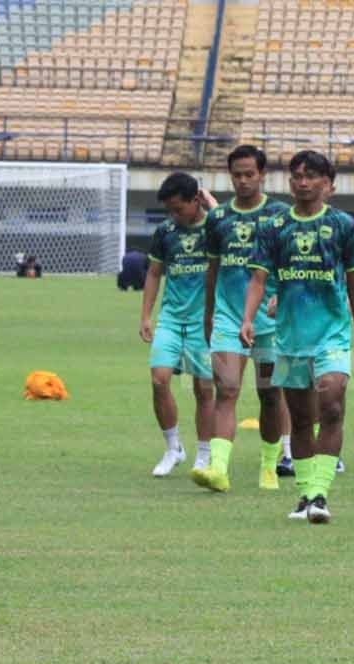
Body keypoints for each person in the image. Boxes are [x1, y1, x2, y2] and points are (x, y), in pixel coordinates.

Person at [241, 150, 354, 522]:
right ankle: (305, 496)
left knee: (331, 400)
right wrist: (248, 318)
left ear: (329, 185)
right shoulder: (276, 228)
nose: (303, 182)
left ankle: (321, 495)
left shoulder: (344, 226)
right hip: (291, 338)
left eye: (312, 176)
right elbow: (260, 278)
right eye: (296, 175)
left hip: (332, 334)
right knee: (299, 420)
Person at [197, 145, 293, 493]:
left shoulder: (282, 215)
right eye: (236, 174)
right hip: (227, 318)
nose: (242, 180)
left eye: (249, 174)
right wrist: (208, 314)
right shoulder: (218, 218)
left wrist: (281, 295)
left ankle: (270, 464)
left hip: (271, 322)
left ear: (262, 174)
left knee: (270, 395)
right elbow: (212, 270)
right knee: (227, 389)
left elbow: (292, 264)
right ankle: (218, 469)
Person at [140, 172, 216, 479]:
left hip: (204, 319)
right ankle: (174, 449)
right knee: (159, 380)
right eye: (169, 210)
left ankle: (204, 453)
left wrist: (213, 205)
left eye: (178, 208)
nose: (173, 215)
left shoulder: (213, 227)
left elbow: (239, 230)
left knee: (203, 388)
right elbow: (155, 273)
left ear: (195, 199)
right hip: (171, 318)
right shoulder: (166, 231)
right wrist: (145, 315)